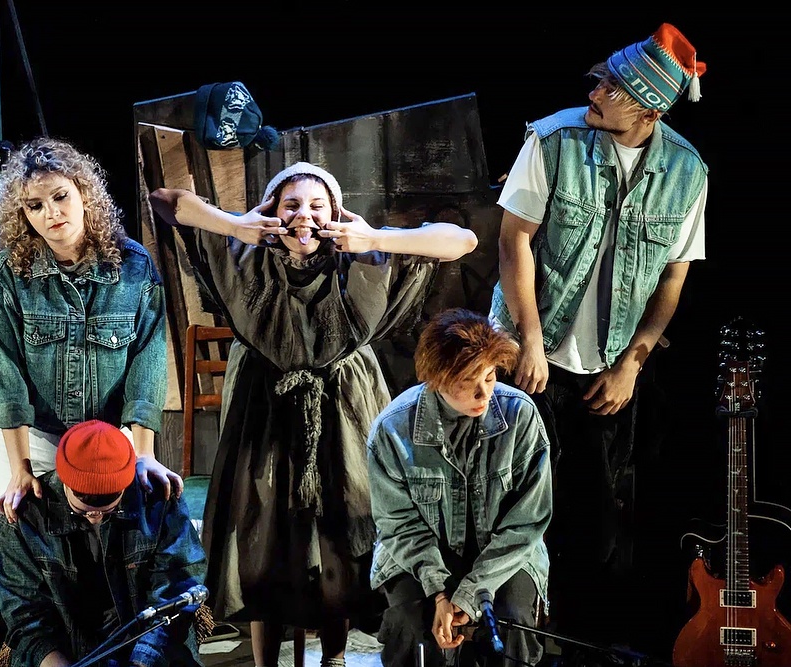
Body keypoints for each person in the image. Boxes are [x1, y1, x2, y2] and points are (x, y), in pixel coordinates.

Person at [148, 161, 478, 667]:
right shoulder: (246, 257)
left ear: (336, 212)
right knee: (263, 529)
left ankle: (334, 657)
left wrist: (375, 237)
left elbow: (463, 241)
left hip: (345, 404)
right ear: (272, 211)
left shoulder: (361, 257)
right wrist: (236, 225)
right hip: (264, 410)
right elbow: (164, 201)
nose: (304, 216)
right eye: (291, 204)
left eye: (317, 205)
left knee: (340, 524)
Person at [488, 23, 708, 647]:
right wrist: (530, 341)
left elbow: (673, 276)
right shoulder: (553, 139)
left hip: (608, 369)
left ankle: (572, 643)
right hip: (527, 351)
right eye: (601, 80)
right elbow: (513, 240)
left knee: (595, 523)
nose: (595, 91)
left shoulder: (687, 171)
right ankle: (514, 640)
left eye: (611, 87)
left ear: (648, 109)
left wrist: (632, 363)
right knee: (515, 505)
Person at [0, 136, 183, 525]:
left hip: (109, 437)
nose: (52, 213)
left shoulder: (134, 268)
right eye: (35, 206)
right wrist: (20, 467)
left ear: (84, 193)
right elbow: (6, 381)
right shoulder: (6, 278)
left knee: (124, 538)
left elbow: (148, 367)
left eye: (60, 196)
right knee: (35, 538)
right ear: (22, 214)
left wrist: (144, 453)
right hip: (36, 438)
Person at [366, 307, 552, 667]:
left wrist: (472, 592)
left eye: (490, 377)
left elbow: (527, 523)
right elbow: (398, 525)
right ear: (437, 379)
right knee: (410, 625)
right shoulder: (392, 429)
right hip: (418, 556)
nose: (484, 393)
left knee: (512, 620)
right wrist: (439, 593)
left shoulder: (521, 416)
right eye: (468, 381)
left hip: (504, 553)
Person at [0, 419, 207, 667]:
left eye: (108, 511)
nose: (95, 517)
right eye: (82, 511)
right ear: (65, 482)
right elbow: (25, 614)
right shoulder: (26, 515)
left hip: (145, 645)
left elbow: (175, 593)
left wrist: (141, 661)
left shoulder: (160, 502)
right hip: (66, 647)